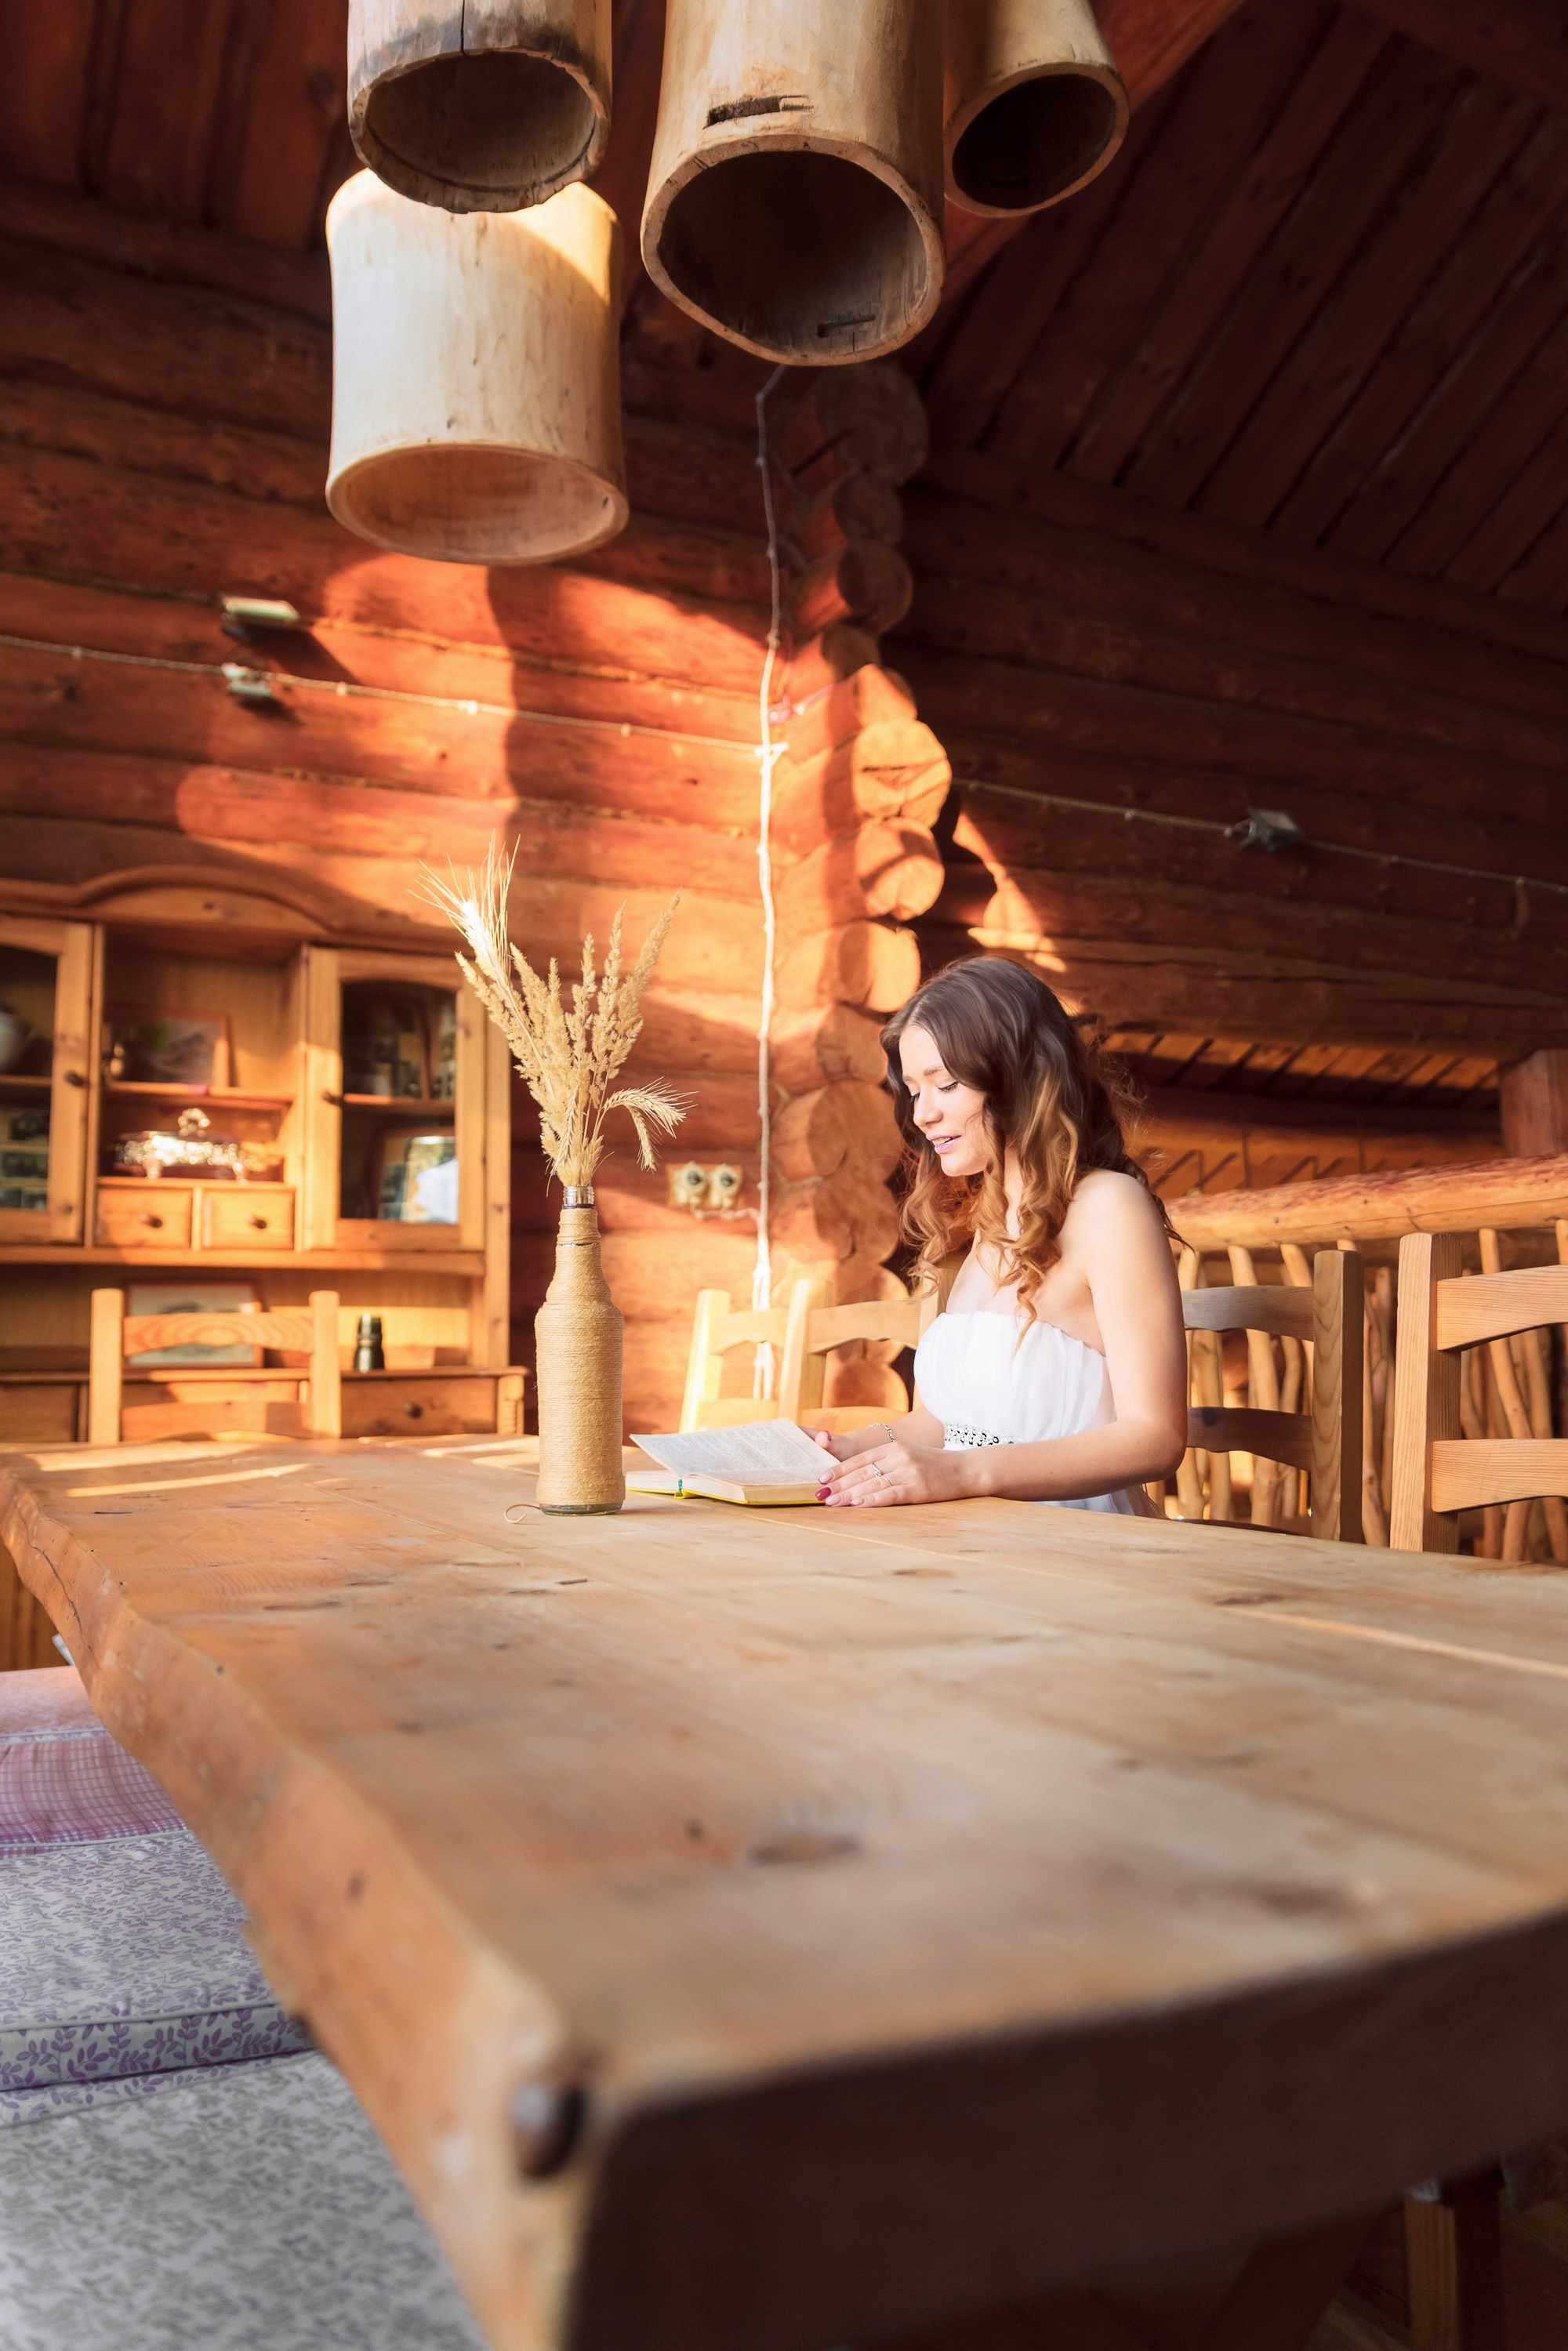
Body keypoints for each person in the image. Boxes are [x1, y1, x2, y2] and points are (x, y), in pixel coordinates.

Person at [813, 957, 1187, 1511]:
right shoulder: (986, 1226)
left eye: (945, 1083)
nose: (922, 1114)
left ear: (1019, 1076)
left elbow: (1155, 1436)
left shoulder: (1109, 1206)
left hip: (1078, 1547)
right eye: (915, 1091)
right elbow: (949, 1426)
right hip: (975, 1538)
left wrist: (965, 1473)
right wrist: (842, 1449)